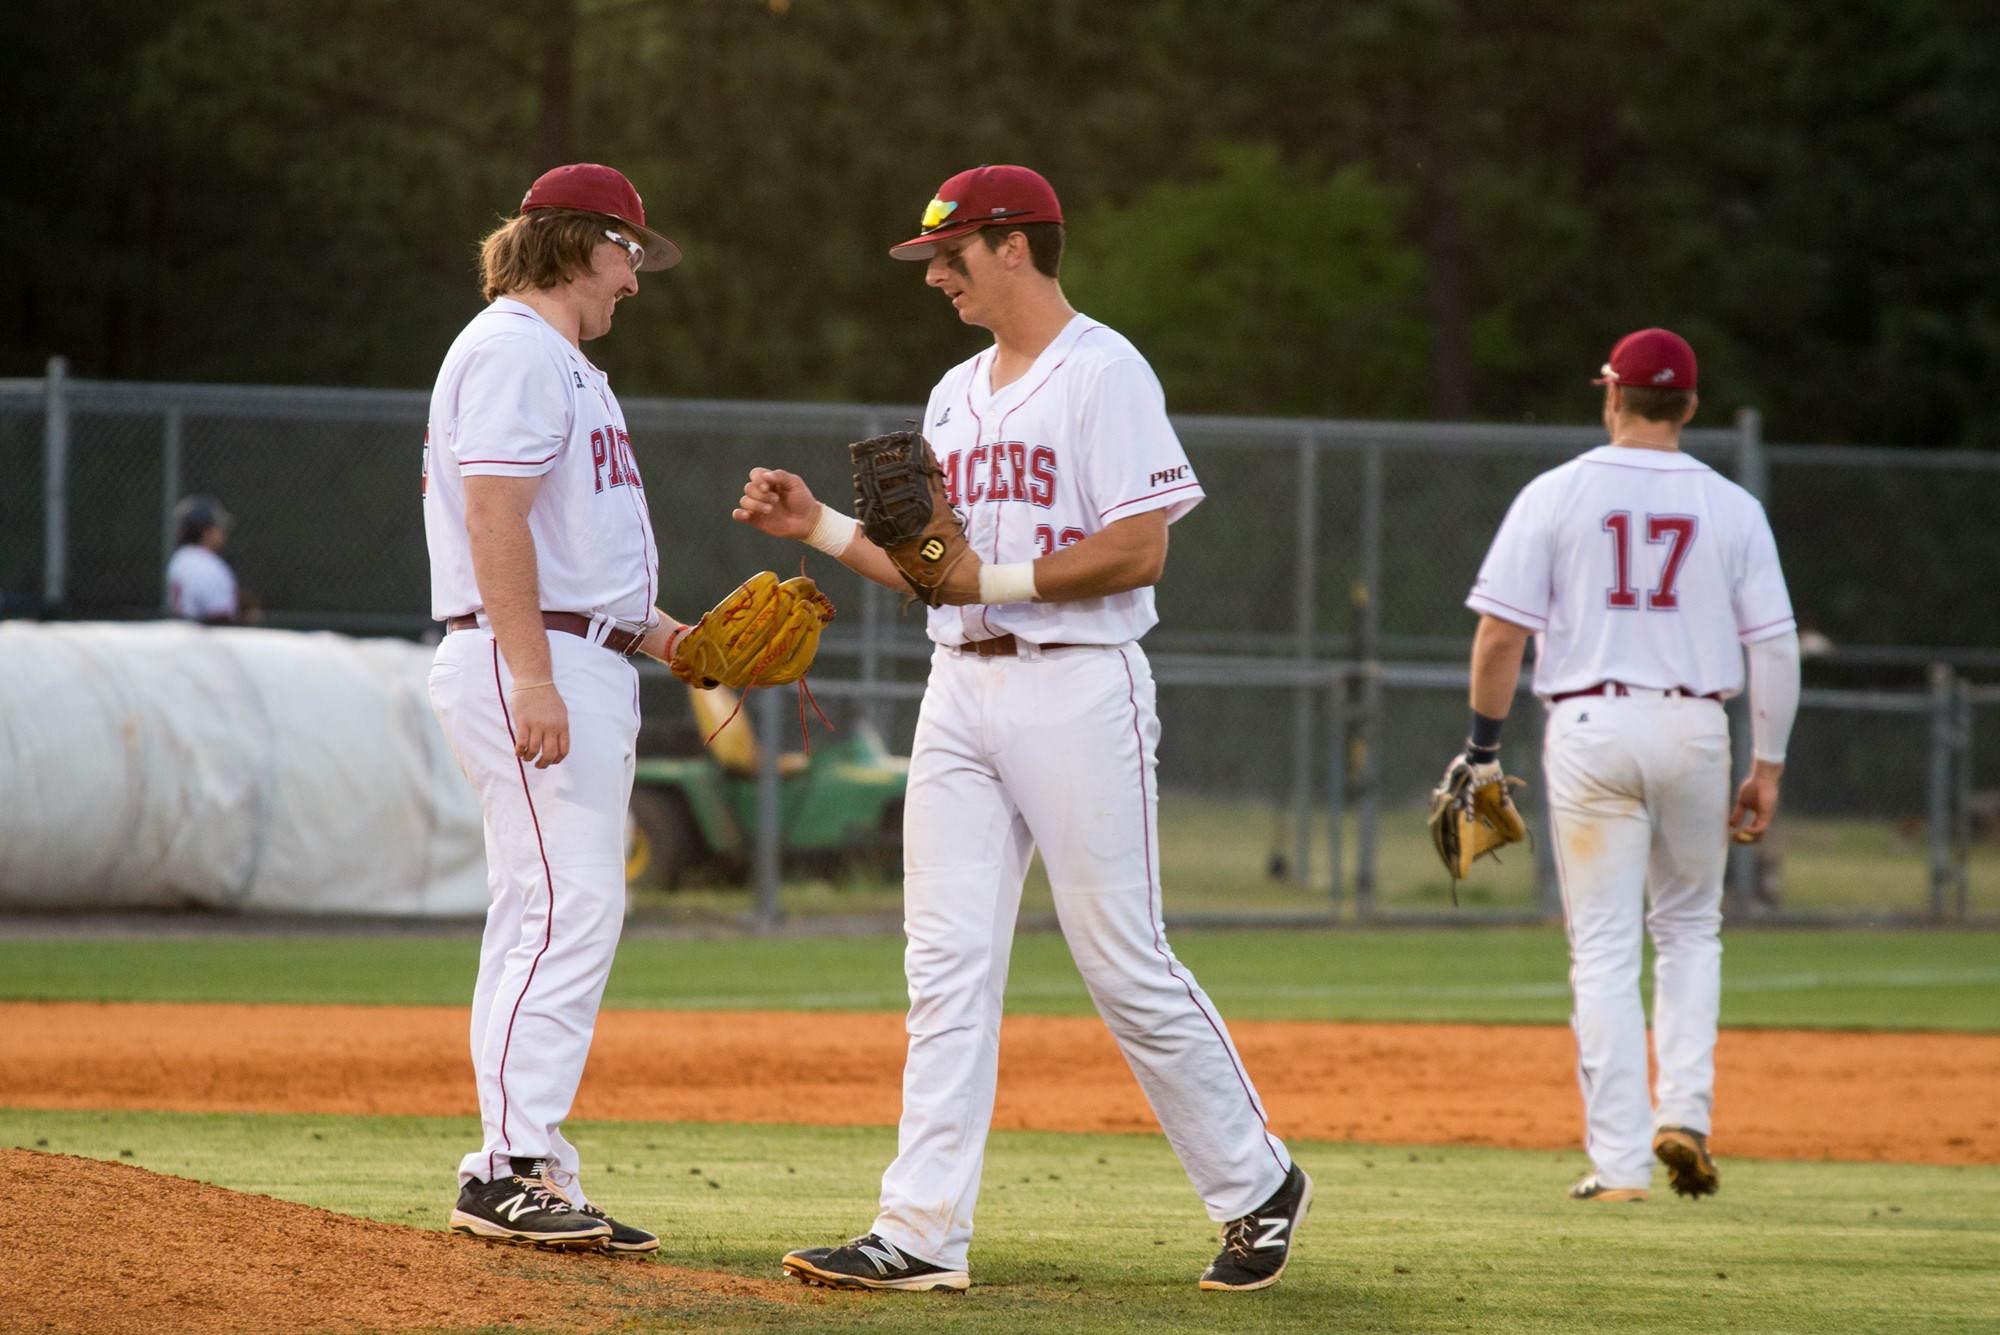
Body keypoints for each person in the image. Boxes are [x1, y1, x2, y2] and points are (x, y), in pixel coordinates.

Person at [734, 165, 1309, 1293]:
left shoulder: (1104, 370)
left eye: (950, 254)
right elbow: (936, 579)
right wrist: (822, 527)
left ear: (1013, 246)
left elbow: (1138, 548)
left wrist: (986, 575)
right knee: (943, 966)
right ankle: (919, 1233)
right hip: (959, 692)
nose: (935, 274)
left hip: (1078, 684)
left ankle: (1257, 1185)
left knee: (1121, 963)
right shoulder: (954, 393)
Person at [423, 162, 698, 1253]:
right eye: (632, 253)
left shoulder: (560, 362)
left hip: (572, 649)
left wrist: (667, 635)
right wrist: (534, 676)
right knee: (566, 906)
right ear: (585, 244)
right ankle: (507, 1167)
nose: (636, 278)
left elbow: (568, 550)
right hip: (522, 654)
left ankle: (525, 1161)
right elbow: (493, 514)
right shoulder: (512, 348)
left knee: (549, 908)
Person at [1456, 328, 1799, 1202]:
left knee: (1604, 948)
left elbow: (1500, 635)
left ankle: (1616, 1169)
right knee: (1689, 931)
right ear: (1688, 405)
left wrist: (1482, 749)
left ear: (1613, 397)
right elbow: (1776, 645)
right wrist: (1769, 764)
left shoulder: (1556, 493)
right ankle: (1683, 1112)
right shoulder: (1731, 505)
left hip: (1591, 725)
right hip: (1695, 727)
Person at [166, 495, 239, 623]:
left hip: (179, 635)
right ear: (205, 531)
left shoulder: (179, 559)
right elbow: (222, 621)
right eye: (218, 526)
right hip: (203, 640)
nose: (223, 531)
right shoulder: (210, 566)